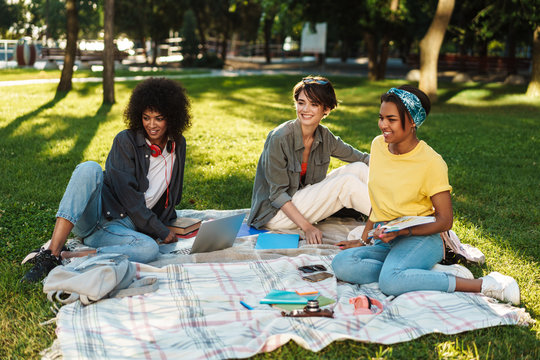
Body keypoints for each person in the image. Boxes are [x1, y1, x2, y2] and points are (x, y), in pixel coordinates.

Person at [331, 85, 520, 305]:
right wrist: (364, 240)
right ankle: (416, 272)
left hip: (421, 237)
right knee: (341, 264)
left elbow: (445, 220)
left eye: (391, 119)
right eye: (381, 117)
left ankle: (486, 284)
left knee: (390, 282)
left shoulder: (431, 162)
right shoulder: (378, 146)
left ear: (412, 121)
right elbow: (378, 201)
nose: (383, 125)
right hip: (386, 236)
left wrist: (406, 230)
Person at [22, 77, 191, 282]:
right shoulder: (125, 141)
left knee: (149, 250)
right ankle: (51, 254)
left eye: (159, 118)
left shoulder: (178, 144)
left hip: (121, 229)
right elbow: (128, 197)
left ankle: (70, 255)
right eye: (146, 117)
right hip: (100, 216)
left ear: (172, 117)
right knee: (89, 167)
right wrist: (159, 230)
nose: (151, 125)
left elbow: (174, 194)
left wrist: (172, 222)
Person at [247, 76, 371, 244]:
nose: (305, 109)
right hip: (275, 214)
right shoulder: (280, 138)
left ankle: (396, 212)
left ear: (326, 109)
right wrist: (308, 227)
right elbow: (277, 195)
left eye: (314, 104)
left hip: (301, 200)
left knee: (359, 168)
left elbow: (362, 158)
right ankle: (392, 222)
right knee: (346, 183)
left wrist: (400, 166)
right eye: (301, 102)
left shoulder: (324, 136)